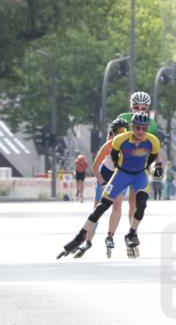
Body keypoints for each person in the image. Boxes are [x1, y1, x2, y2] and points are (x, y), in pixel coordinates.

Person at [58, 112, 161, 259]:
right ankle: (80, 237)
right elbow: (112, 159)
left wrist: (155, 176)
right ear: (133, 127)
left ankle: (131, 233)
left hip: (139, 175)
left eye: (144, 129)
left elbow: (156, 158)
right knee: (101, 206)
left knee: (141, 204)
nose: (140, 132)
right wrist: (105, 182)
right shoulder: (119, 140)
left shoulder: (153, 141)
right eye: (137, 128)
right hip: (121, 174)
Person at [114, 91, 160, 221]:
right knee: (117, 202)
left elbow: (155, 147)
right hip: (121, 166)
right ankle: (110, 235)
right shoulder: (122, 118)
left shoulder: (151, 124)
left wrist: (158, 167)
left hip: (139, 167)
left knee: (133, 202)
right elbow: (112, 141)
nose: (139, 110)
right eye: (136, 107)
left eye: (143, 108)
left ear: (148, 109)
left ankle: (132, 231)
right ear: (131, 107)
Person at [90, 118, 130, 257]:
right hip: (105, 172)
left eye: (124, 132)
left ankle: (110, 236)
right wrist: (102, 183)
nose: (120, 135)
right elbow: (94, 167)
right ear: (112, 133)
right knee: (98, 207)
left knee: (117, 205)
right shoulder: (109, 143)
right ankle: (88, 238)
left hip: (120, 174)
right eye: (116, 133)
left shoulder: (130, 143)